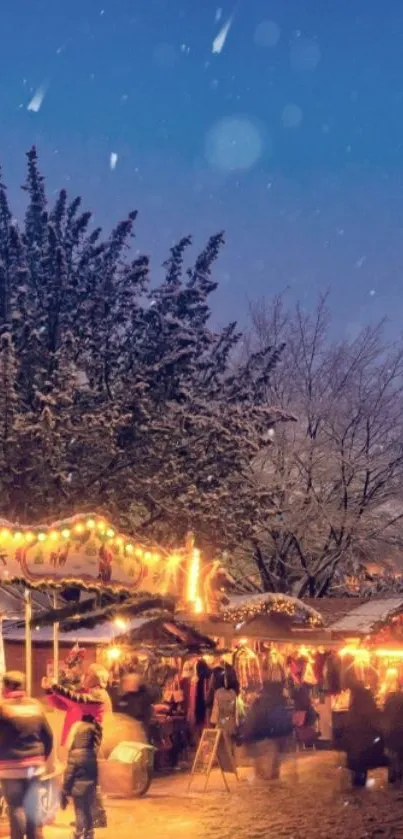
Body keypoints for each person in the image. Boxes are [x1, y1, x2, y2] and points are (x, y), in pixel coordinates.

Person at [45, 664, 111, 828]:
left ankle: (96, 816)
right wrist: (49, 691)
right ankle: (90, 816)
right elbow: (63, 704)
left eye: (87, 674)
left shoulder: (98, 694)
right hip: (77, 741)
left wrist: (55, 686)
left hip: (86, 742)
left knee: (85, 781)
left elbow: (76, 700)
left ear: (96, 678)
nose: (84, 676)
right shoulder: (87, 693)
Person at [0, 670, 53, 839]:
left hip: (10, 767)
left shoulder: (2, 708)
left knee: (16, 806)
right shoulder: (36, 706)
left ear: (6, 686)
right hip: (34, 767)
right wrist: (41, 758)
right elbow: (48, 736)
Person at [61, 714, 102, 839]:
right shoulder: (92, 755)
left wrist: (65, 790)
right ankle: (90, 833)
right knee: (88, 810)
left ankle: (78, 833)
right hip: (90, 787)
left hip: (77, 789)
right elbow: (95, 774)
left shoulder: (74, 754)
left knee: (79, 811)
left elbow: (69, 774)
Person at [241, 681, 293, 780]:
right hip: (270, 741)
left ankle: (266, 789)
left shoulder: (258, 703)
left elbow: (250, 720)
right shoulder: (277, 703)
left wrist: (246, 738)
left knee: (263, 774)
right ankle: (271, 790)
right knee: (271, 773)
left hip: (257, 740)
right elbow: (283, 723)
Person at [343, 684, 385, 787]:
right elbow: (375, 723)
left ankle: (357, 784)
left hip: (356, 743)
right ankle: (359, 784)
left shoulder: (354, 709)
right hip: (364, 743)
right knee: (361, 766)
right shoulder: (368, 708)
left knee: (358, 767)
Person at [115, 672, 153, 740]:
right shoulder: (126, 697)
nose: (124, 684)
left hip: (138, 733)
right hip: (128, 731)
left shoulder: (142, 697)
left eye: (127, 682)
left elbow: (135, 714)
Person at [383, 688, 403, 783]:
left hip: (392, 731)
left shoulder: (390, 699)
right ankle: (397, 772)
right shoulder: (397, 699)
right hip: (398, 730)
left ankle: (393, 773)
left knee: (392, 753)